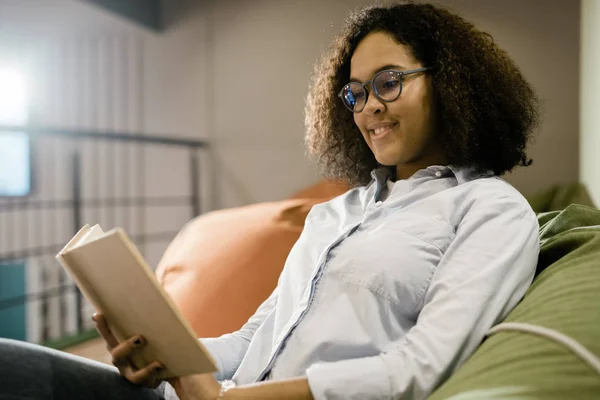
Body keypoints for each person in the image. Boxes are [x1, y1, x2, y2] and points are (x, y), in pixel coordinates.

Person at [0, 2, 541, 399]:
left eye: (390, 82)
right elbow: (260, 334)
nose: (368, 107)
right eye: (355, 93)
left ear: (451, 84)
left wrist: (226, 399)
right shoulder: (337, 212)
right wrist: (170, 357)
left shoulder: (490, 210)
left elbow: (420, 369)